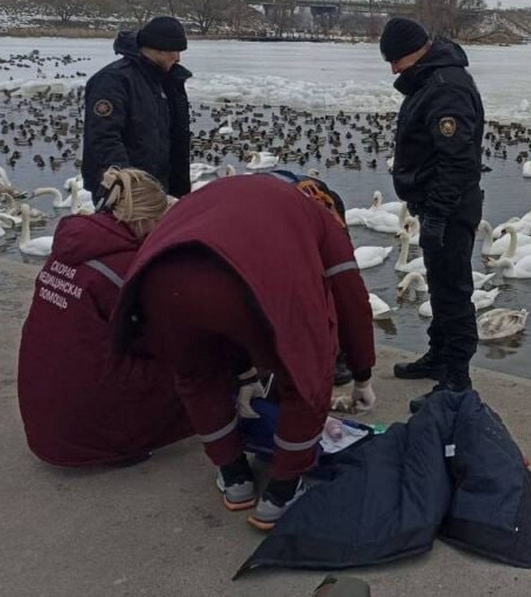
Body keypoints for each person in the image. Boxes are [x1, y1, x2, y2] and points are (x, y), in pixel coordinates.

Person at [113, 173, 376, 531]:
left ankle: (235, 479)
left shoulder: (222, 193)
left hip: (158, 282)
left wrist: (247, 373)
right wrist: (362, 374)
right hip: (240, 286)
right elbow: (351, 299)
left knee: (196, 376)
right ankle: (281, 492)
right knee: (305, 374)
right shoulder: (319, 217)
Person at [17, 167, 191, 467]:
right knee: (197, 368)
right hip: (86, 428)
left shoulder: (68, 247)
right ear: (146, 219)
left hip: (42, 416)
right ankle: (122, 441)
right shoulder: (127, 267)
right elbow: (160, 338)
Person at [379, 17, 485, 401]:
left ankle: (457, 378)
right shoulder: (431, 80)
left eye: (397, 59)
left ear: (419, 50)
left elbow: (457, 162)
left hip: (451, 207)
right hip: (437, 204)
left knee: (453, 291)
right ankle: (439, 356)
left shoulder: (446, 88)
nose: (393, 69)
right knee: (440, 287)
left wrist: (438, 213)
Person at [81, 16, 193, 199]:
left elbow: (172, 137)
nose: (178, 58)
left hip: (158, 187)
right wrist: (129, 188)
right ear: (157, 48)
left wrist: (178, 189)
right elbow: (104, 139)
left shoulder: (166, 80)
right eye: (174, 51)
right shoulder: (113, 81)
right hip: (124, 191)